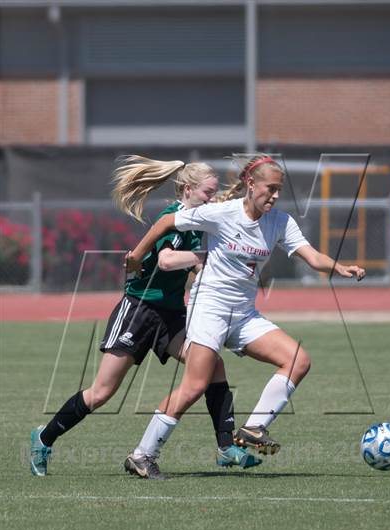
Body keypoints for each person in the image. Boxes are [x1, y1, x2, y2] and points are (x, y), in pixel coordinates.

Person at [125, 154, 366, 477]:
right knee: (195, 385)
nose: (276, 195)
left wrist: (339, 267)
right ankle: (142, 454)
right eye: (271, 188)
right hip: (209, 306)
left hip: (243, 313)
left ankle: (254, 428)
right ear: (251, 185)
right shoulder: (222, 213)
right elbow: (168, 222)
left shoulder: (280, 221)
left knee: (298, 360)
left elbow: (311, 256)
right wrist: (138, 255)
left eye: (279, 189)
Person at [30, 156, 261, 478]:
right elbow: (167, 261)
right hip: (138, 310)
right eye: (207, 193)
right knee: (102, 392)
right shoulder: (173, 217)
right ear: (187, 189)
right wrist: (209, 257)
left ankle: (226, 448)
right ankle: (44, 438)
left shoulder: (198, 221)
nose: (210, 198)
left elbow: (193, 264)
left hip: (171, 314)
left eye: (212, 193)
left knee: (213, 365)